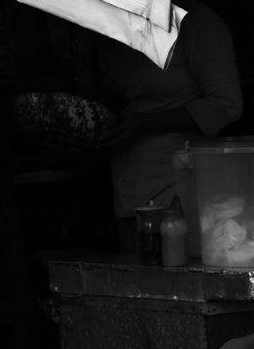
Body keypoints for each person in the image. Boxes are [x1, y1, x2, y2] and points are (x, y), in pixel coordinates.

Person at [98, 0, 243, 230]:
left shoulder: (197, 23)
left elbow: (227, 104)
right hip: (129, 185)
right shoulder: (122, 23)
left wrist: (146, 124)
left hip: (176, 188)